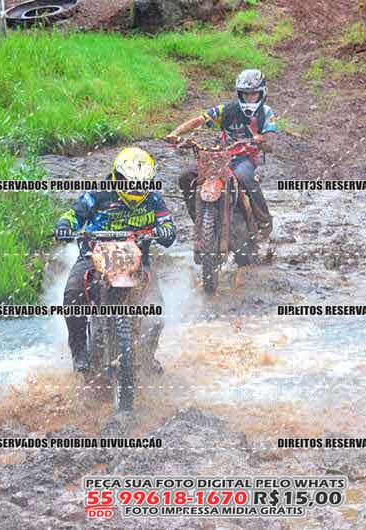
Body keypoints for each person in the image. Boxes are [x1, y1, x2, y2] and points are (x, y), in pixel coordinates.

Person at [53, 147, 176, 373]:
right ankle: (79, 352)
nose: (135, 189)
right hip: (93, 256)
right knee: (73, 294)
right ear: (117, 177)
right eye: (130, 183)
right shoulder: (98, 194)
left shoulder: (154, 199)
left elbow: (167, 223)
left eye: (140, 184)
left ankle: (148, 356)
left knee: (156, 310)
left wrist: (166, 231)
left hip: (137, 259)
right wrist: (64, 226)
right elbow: (73, 214)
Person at [164, 69, 276, 248]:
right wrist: (175, 133)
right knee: (186, 176)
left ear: (262, 93)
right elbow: (199, 120)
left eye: (253, 94)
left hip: (244, 158)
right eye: (245, 94)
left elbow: (271, 140)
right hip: (220, 156)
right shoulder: (227, 110)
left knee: (244, 176)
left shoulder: (266, 112)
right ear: (239, 94)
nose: (249, 98)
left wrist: (262, 141)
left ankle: (264, 221)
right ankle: (200, 219)